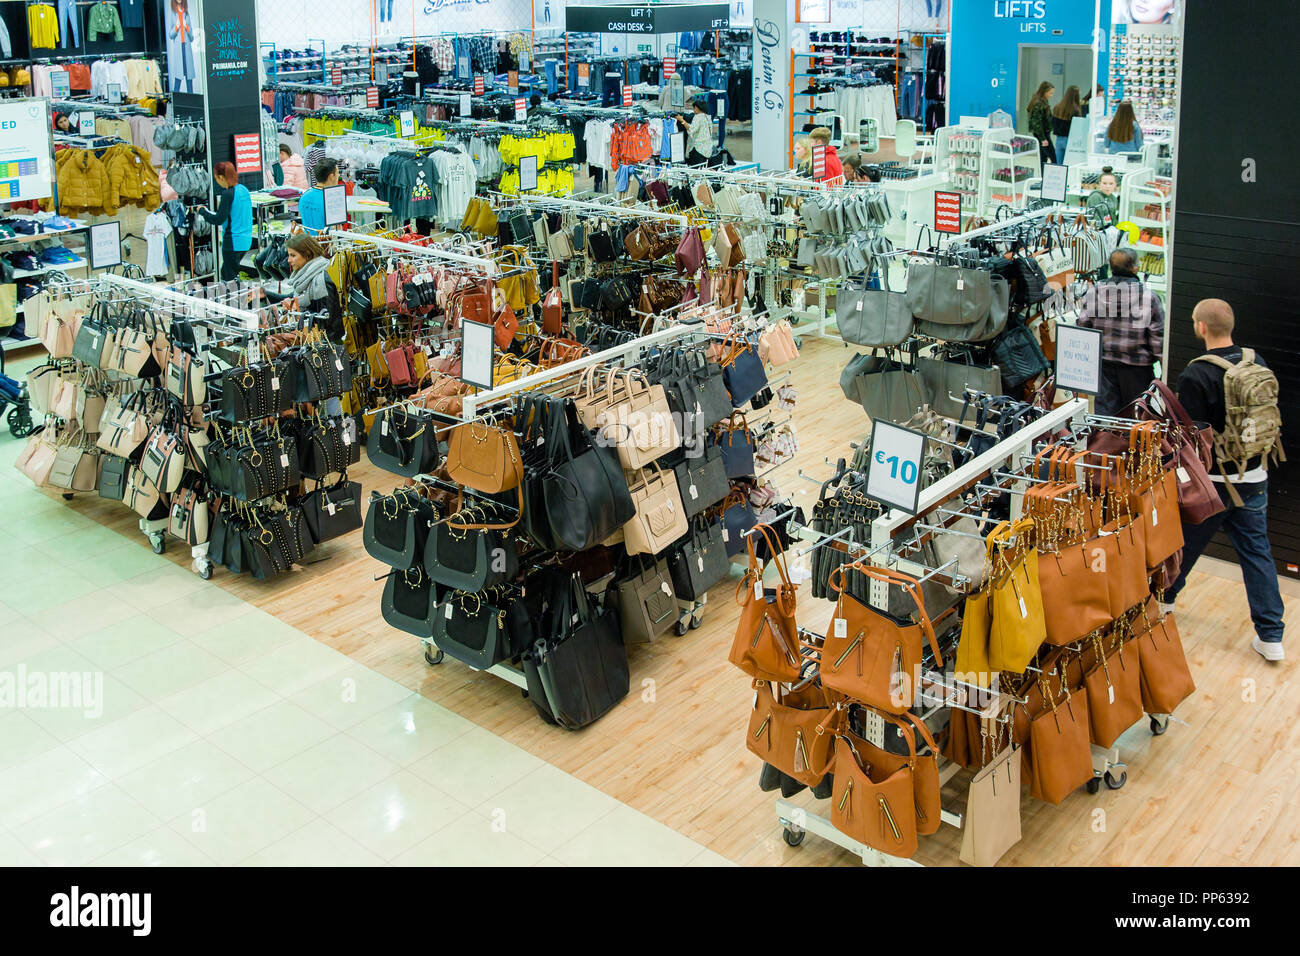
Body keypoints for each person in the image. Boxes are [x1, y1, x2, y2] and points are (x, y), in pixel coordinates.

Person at [1165, 299, 1286, 661]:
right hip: (1254, 476)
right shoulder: (1256, 361)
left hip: (1212, 483)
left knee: (1183, 545)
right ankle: (1271, 637)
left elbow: (1189, 439)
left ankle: (1165, 602)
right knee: (1257, 552)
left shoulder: (1196, 374)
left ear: (1201, 327)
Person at [1075, 247, 1163, 416]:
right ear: (1134, 268)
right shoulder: (1148, 297)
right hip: (1137, 369)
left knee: (1107, 420)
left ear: (1110, 267)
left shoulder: (1095, 292)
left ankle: (1108, 442)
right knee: (1138, 417)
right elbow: (1158, 339)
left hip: (1103, 367)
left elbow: (1083, 328)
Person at [262, 233, 342, 340]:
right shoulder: (305, 275)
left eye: (293, 255)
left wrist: (297, 311)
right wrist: (264, 294)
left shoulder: (321, 279)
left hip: (323, 343)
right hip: (310, 337)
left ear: (308, 254)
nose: (289, 260)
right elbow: (292, 297)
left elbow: (328, 319)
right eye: (289, 255)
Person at [197, 161, 252, 281]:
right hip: (246, 240)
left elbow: (218, 219)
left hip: (232, 242)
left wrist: (202, 211)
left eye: (216, 178)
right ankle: (236, 297)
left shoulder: (227, 194)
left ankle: (233, 299)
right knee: (231, 273)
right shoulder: (243, 190)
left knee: (228, 277)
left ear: (221, 177)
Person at [297, 157, 339, 236]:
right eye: (337, 173)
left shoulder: (304, 196)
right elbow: (337, 230)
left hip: (308, 243)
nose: (339, 176)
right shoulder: (332, 199)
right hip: (325, 245)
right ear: (331, 176)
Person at [677, 95, 716, 165]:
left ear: (697, 108)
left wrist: (681, 120)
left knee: (694, 172)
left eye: (694, 108)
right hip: (707, 149)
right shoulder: (708, 117)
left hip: (698, 149)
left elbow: (691, 129)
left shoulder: (698, 117)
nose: (693, 110)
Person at [1026, 81, 1056, 164]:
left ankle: (1044, 175)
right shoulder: (1039, 104)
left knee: (1043, 157)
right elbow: (1037, 122)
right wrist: (1043, 138)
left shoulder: (1042, 102)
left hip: (1043, 133)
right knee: (1052, 157)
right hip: (1042, 134)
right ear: (1044, 92)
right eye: (1050, 93)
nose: (1051, 95)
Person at [1051, 84, 1082, 160]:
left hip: (1059, 139)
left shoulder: (1057, 107)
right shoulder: (1075, 110)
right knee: (1070, 163)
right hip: (1070, 140)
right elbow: (1077, 127)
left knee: (1059, 165)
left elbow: (1053, 123)